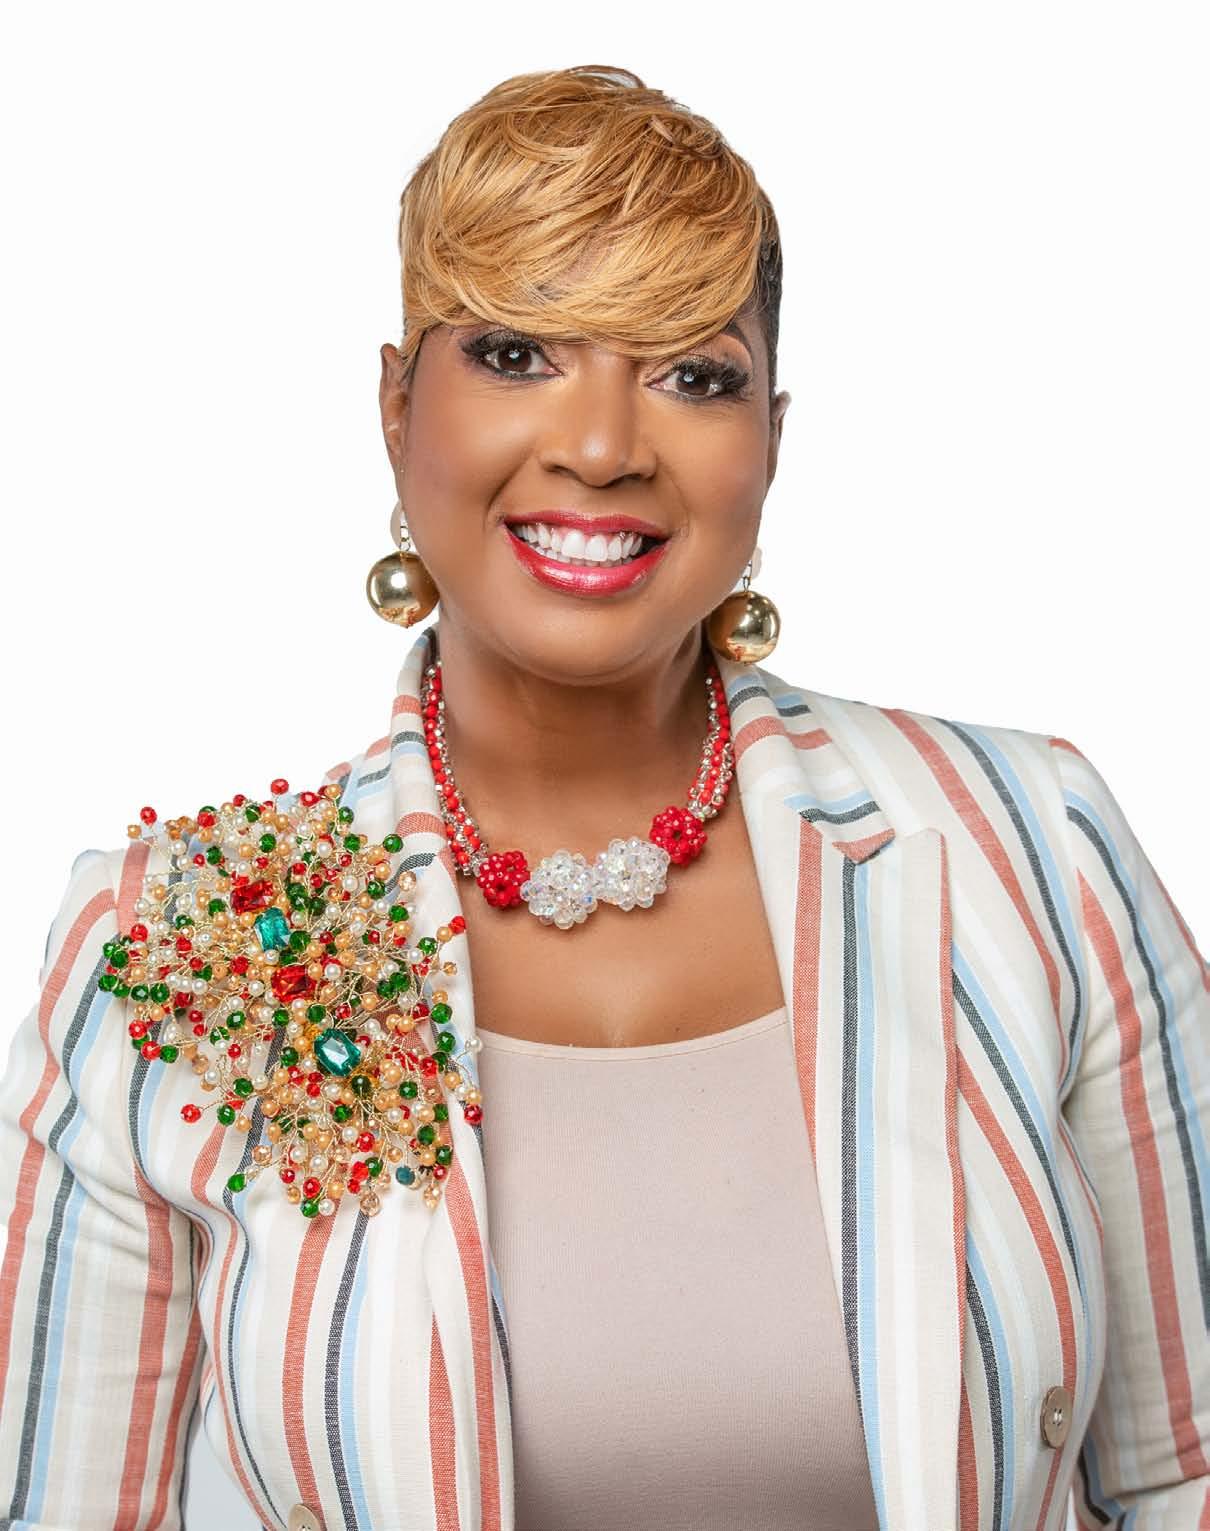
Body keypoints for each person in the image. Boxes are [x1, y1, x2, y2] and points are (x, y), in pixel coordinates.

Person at [0, 62, 1207, 1531]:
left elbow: (1184, 1465)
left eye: (694, 374)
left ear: (773, 437)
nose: (600, 446)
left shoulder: (1029, 849)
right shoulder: (183, 939)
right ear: (396, 406)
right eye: (516, 353)